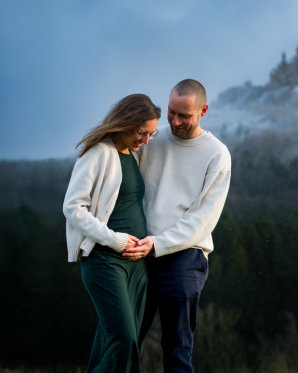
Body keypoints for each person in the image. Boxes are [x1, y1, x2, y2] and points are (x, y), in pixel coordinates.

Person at [123, 79, 231, 372]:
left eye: (185, 115)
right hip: (138, 251)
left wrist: (159, 243)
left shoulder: (217, 154)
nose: (175, 120)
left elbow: (203, 219)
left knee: (177, 349)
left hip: (185, 256)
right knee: (125, 340)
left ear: (203, 111)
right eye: (172, 112)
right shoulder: (149, 141)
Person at [62, 93, 161, 373]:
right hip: (105, 261)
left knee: (113, 340)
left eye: (151, 134)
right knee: (124, 339)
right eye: (142, 132)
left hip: (137, 266)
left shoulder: (132, 155)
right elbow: (73, 207)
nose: (146, 140)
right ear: (126, 122)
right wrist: (115, 239)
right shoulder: (98, 153)